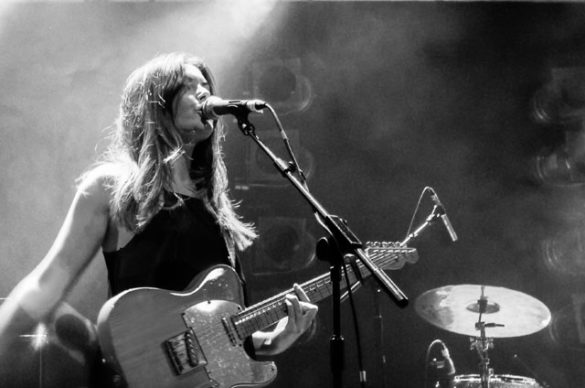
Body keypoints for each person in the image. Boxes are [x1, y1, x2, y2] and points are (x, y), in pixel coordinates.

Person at [0, 52, 318, 387]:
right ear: (156, 104)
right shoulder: (113, 188)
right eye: (189, 86)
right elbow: (44, 285)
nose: (205, 93)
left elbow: (212, 335)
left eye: (206, 85)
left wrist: (271, 341)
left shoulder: (213, 205)